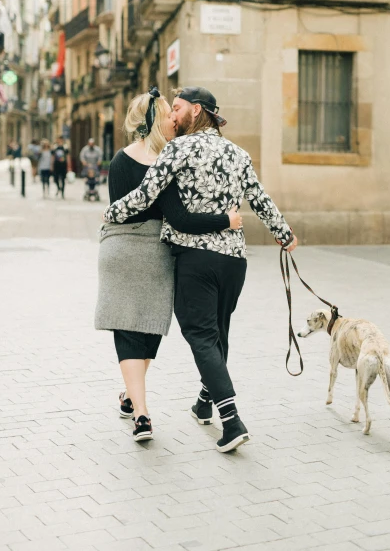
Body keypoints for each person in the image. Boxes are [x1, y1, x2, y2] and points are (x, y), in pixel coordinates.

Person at [104, 86, 297, 453]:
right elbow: (259, 198)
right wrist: (284, 234)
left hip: (195, 258)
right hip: (234, 262)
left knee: (202, 338)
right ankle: (204, 403)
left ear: (195, 111)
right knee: (218, 332)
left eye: (176, 109)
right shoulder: (238, 153)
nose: (171, 116)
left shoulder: (177, 150)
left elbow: (145, 195)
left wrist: (112, 212)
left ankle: (232, 420)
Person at [96, 87, 242, 443]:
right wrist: (226, 220)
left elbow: (120, 209)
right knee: (146, 331)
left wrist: (110, 213)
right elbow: (178, 217)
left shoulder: (119, 159)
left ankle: (136, 405)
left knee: (127, 330)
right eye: (168, 114)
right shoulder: (168, 160)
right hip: (155, 251)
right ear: (154, 121)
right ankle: (140, 410)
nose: (174, 119)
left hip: (117, 250)